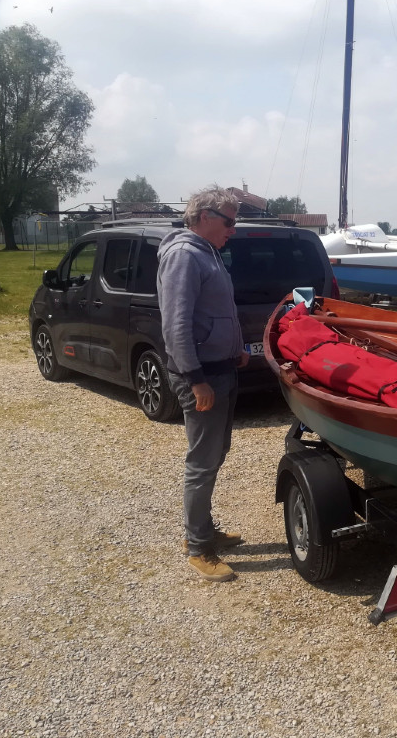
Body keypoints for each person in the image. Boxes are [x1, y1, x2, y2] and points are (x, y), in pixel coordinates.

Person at [157, 185, 249, 582]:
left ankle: (204, 530)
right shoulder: (183, 255)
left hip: (222, 367)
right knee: (202, 461)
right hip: (203, 374)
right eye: (229, 221)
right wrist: (196, 380)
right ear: (204, 216)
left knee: (216, 452)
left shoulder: (208, 252)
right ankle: (198, 547)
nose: (233, 229)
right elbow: (176, 324)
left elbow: (220, 309)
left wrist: (237, 346)